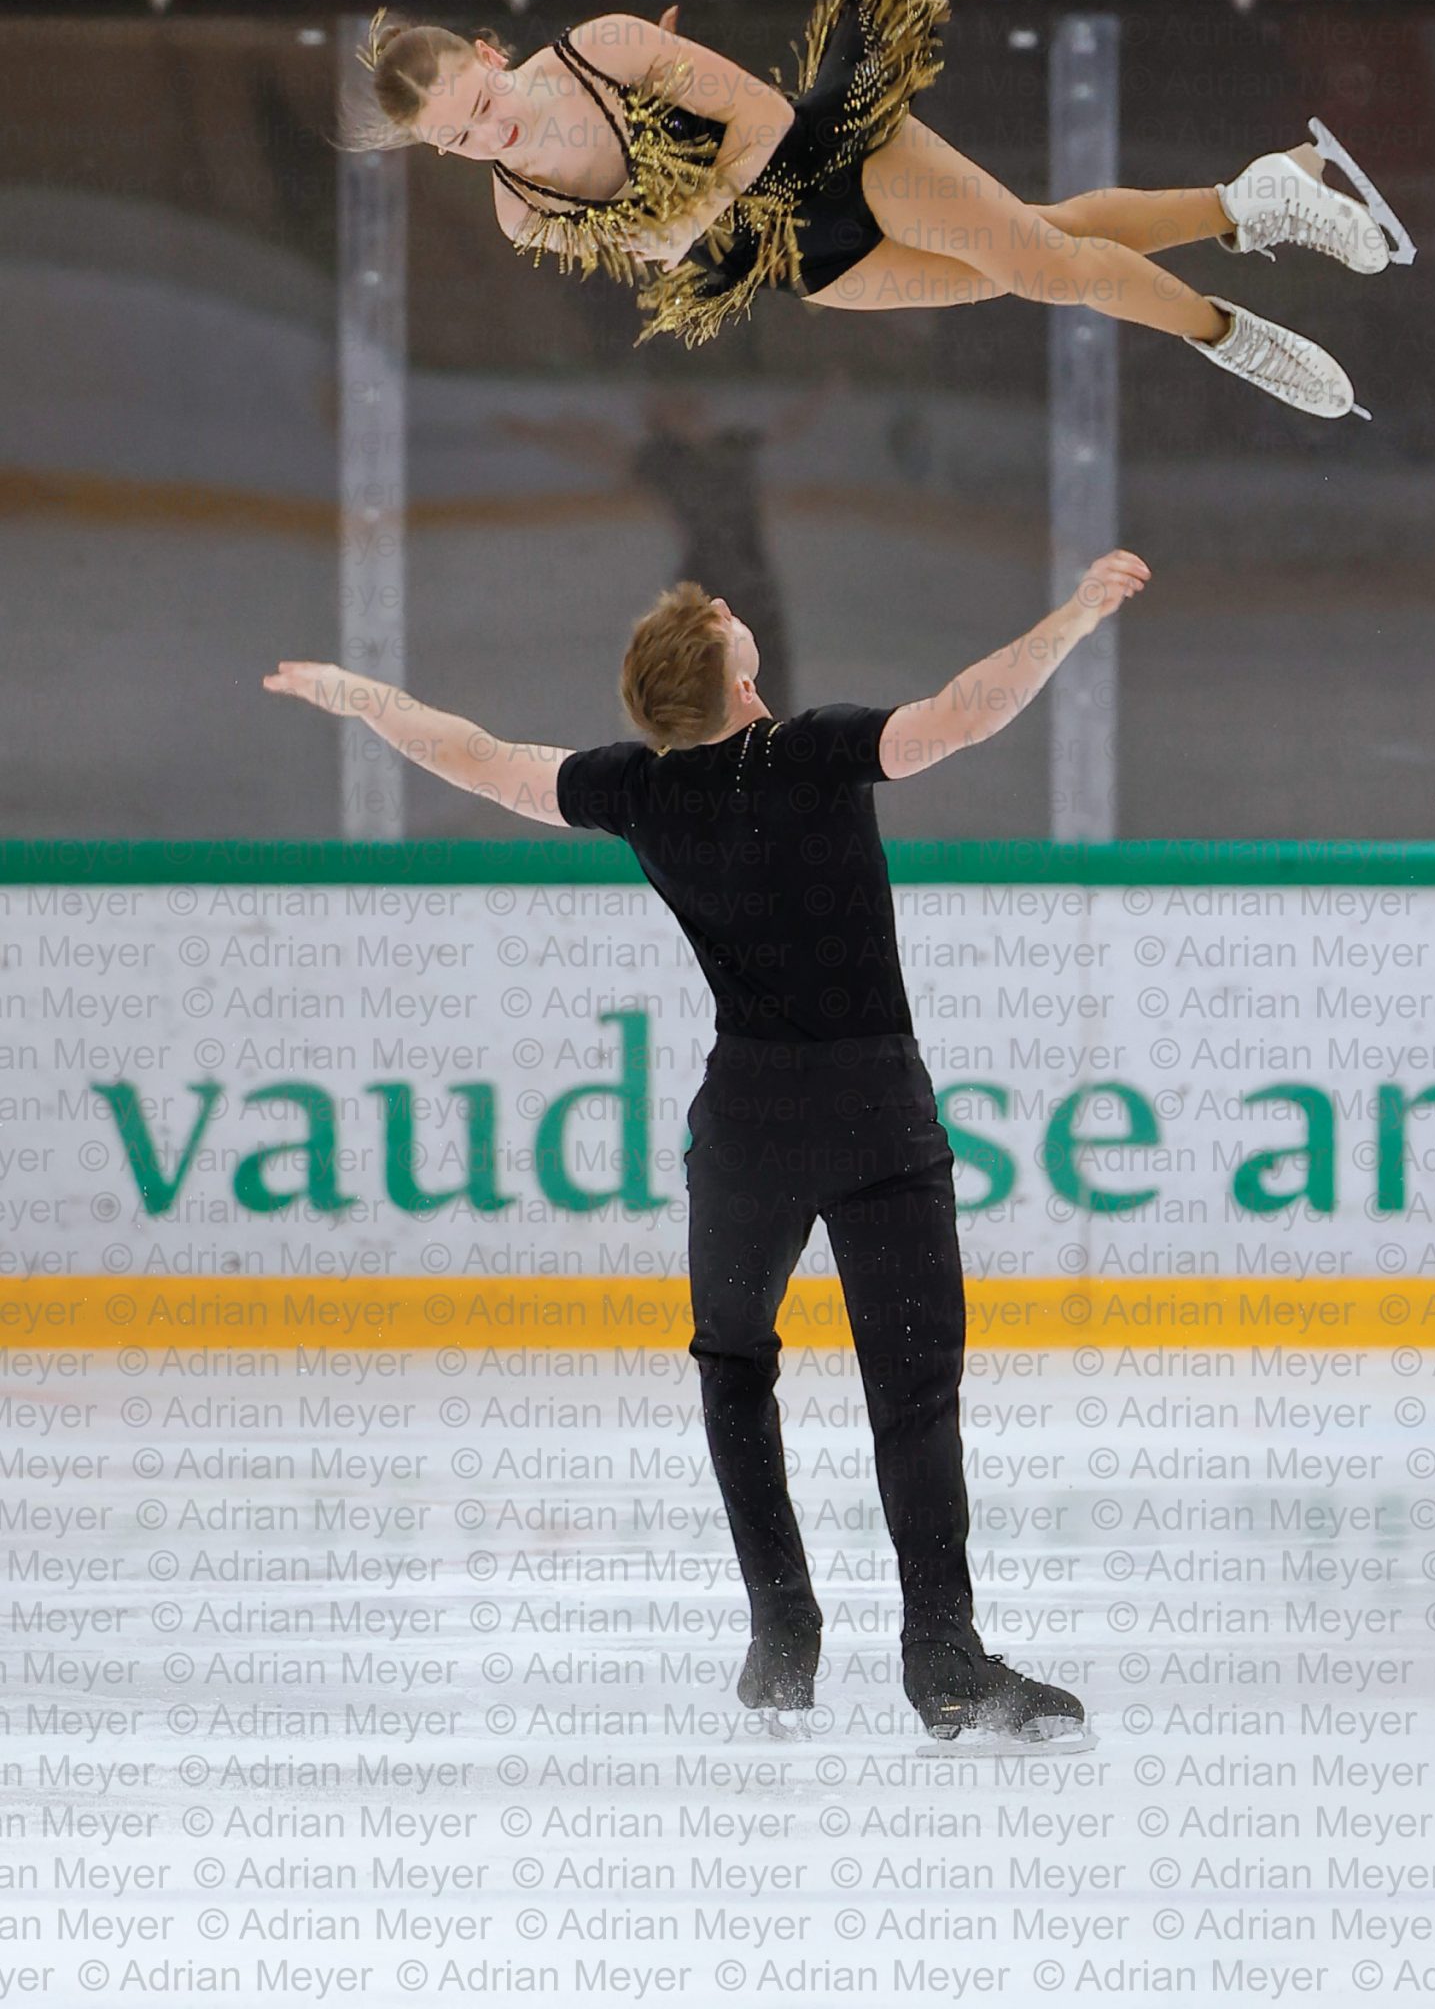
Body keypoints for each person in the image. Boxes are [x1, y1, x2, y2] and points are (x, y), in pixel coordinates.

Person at [263, 542, 1154, 1746]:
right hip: (878, 1117)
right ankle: (940, 1652)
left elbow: (474, 756)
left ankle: (782, 1629)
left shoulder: (638, 789)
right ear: (742, 686)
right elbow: (966, 713)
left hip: (746, 1131)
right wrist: (1076, 613)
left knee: (735, 1364)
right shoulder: (814, 749)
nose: (736, 610)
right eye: (731, 626)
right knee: (913, 1392)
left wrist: (359, 696)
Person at [342, 0, 1415, 419]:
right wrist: (689, 241)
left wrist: (690, 223)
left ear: (489, 55)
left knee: (1047, 267)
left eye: (481, 107)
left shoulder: (604, 48)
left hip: (838, 160)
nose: (490, 138)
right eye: (459, 141)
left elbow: (762, 120)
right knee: (1036, 247)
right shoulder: (517, 212)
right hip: (812, 264)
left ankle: (1230, 337)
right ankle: (1252, 199)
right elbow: (661, 254)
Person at [494, 376, 840, 727]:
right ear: (663, 420)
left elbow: (787, 426)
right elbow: (599, 450)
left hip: (757, 590)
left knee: (770, 694)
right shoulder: (664, 460)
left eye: (687, 401)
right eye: (676, 404)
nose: (689, 405)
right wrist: (535, 431)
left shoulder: (734, 443)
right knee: (706, 689)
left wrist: (825, 390)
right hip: (706, 589)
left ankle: (767, 757)